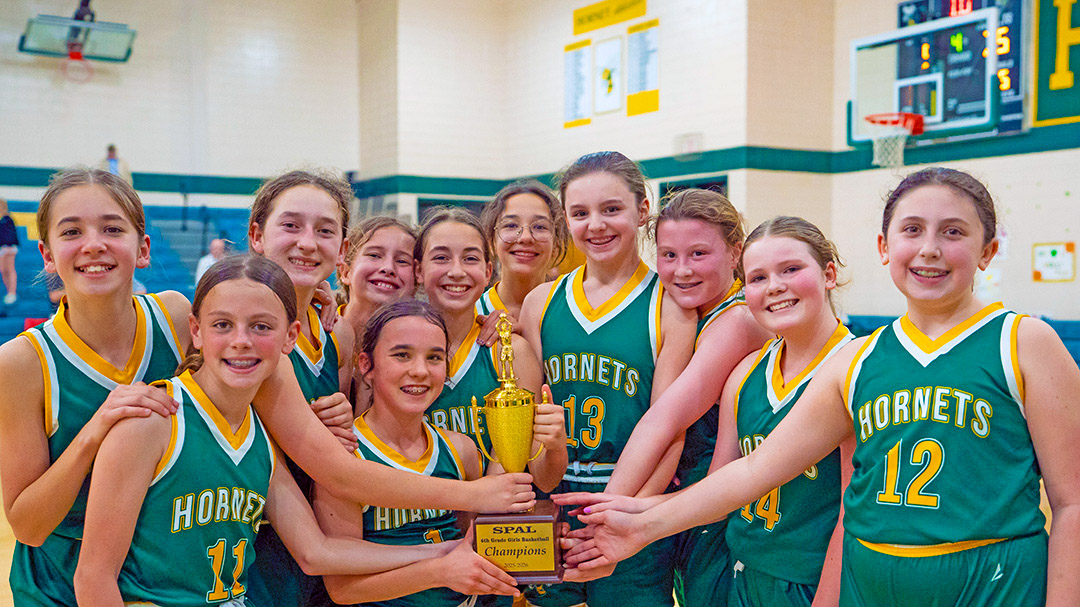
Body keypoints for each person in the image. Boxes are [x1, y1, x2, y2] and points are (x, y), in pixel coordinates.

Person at [557, 167, 1080, 606]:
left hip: (992, 582)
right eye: (912, 230)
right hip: (873, 582)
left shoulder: (1024, 341)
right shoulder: (857, 361)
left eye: (953, 232)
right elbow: (755, 470)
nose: (929, 249)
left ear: (988, 250)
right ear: (884, 246)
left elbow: (1072, 502)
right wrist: (641, 522)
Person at [73, 255, 455, 606]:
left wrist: (442, 552)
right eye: (223, 325)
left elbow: (316, 552)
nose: (241, 341)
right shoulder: (152, 420)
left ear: (290, 337)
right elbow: (93, 578)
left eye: (260, 327)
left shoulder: (260, 436)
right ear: (196, 331)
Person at [0, 168, 187, 606]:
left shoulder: (177, 319)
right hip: (59, 586)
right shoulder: (21, 363)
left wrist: (314, 299)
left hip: (165, 574)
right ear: (47, 255)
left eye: (112, 228)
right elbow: (27, 526)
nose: (93, 244)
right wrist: (94, 431)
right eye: (72, 232)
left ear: (143, 249)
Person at [518, 151, 697, 607]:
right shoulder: (540, 303)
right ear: (566, 220)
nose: (595, 225)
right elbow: (530, 427)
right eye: (580, 213)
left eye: (611, 209)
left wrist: (629, 519)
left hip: (632, 507)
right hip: (555, 508)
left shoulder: (671, 306)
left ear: (643, 209)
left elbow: (670, 432)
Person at [601, 188, 773, 605]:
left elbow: (664, 420)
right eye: (669, 255)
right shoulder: (684, 312)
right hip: (689, 508)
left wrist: (603, 515)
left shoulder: (737, 319)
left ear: (735, 252)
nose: (682, 270)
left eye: (698, 254)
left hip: (723, 515)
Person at [313, 300, 522, 606]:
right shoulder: (344, 453)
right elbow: (343, 589)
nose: (420, 371)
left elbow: (471, 547)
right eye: (402, 355)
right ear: (366, 365)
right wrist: (439, 572)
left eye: (434, 357)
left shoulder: (460, 450)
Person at [336, 215, 417, 407]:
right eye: (374, 255)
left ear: (416, 281)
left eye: (402, 261)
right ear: (345, 272)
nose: (388, 268)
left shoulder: (419, 348)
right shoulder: (316, 332)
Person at [476, 180, 569, 322]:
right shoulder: (472, 314)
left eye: (540, 227)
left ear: (556, 243)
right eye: (511, 225)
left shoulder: (573, 312)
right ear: (491, 241)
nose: (525, 237)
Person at [0, 197, 20, 305]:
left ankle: (12, 293)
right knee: (3, 270)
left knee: (10, 269)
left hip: (9, 248)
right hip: (2, 248)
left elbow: (11, 235)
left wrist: (9, 247)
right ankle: (9, 292)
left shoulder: (8, 219)